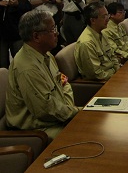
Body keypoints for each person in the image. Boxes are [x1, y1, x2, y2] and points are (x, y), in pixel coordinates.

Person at [5, 10, 79, 140]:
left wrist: (70, 109)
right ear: (36, 37)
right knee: (84, 135)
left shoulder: (46, 55)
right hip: (37, 129)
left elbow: (64, 84)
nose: (56, 33)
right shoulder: (28, 68)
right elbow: (45, 110)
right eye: (52, 29)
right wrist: (76, 112)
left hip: (58, 116)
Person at [74, 1, 120, 80]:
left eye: (107, 15)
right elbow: (97, 75)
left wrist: (118, 70)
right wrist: (114, 72)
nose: (108, 19)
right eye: (104, 16)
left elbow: (113, 57)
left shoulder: (101, 33)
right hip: (101, 84)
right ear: (93, 21)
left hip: (112, 75)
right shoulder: (87, 43)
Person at [0, 0, 32, 68]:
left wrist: (18, 4)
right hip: (1, 35)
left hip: (15, 31)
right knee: (2, 64)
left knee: (21, 62)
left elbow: (28, 6)